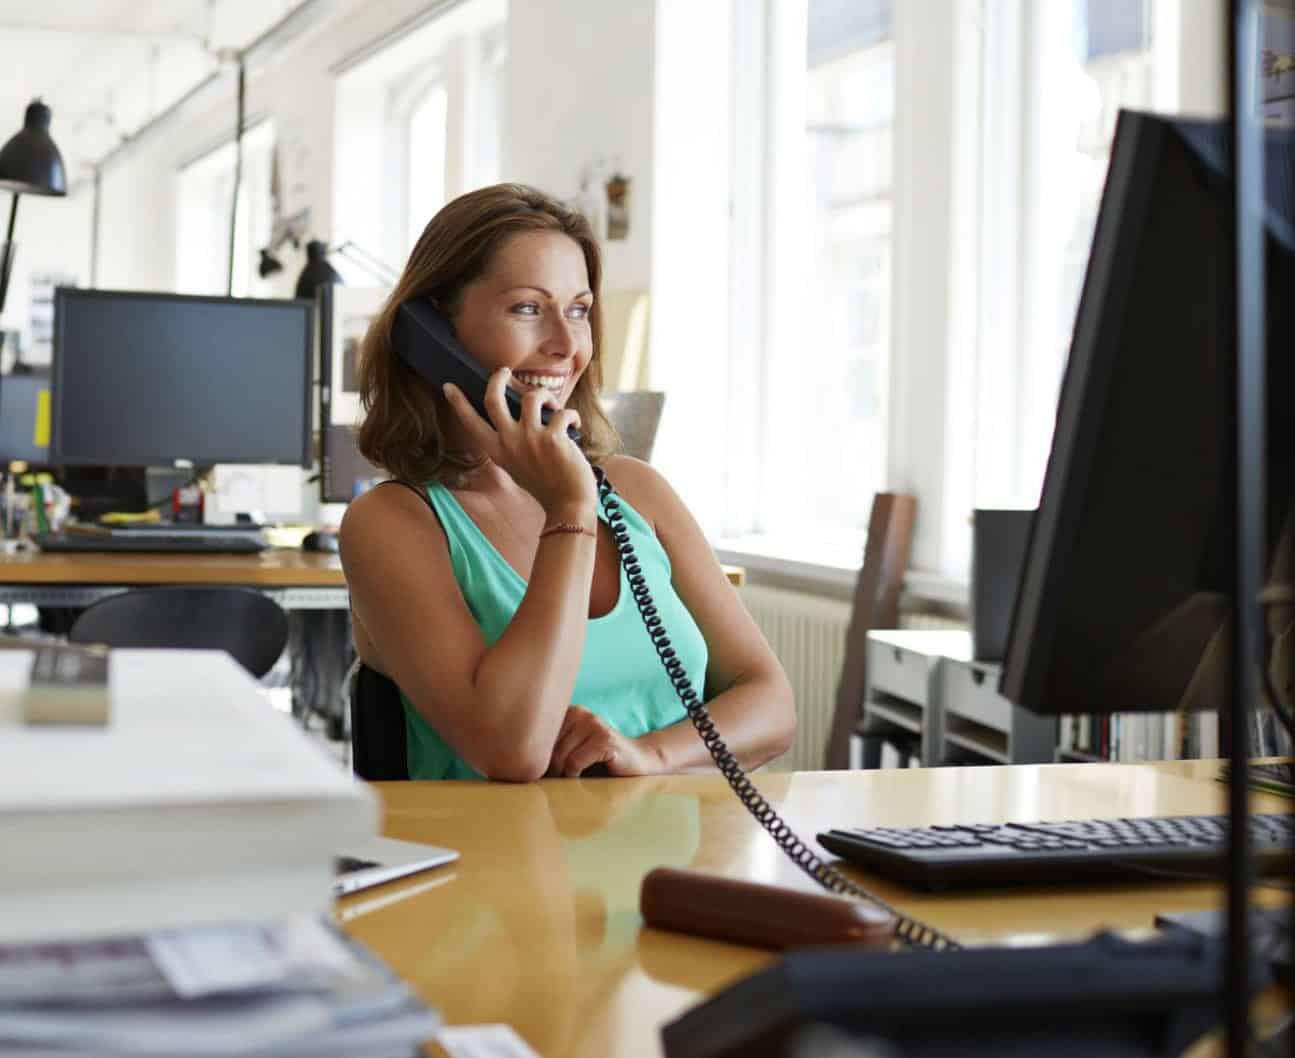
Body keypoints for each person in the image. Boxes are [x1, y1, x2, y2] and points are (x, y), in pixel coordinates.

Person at [340, 183, 795, 781]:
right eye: (528, 308)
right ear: (431, 334)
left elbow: (771, 705)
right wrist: (571, 506)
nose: (563, 345)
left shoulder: (639, 492)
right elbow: (513, 751)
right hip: (508, 867)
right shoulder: (393, 524)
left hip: (677, 862)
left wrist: (649, 754)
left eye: (578, 310)